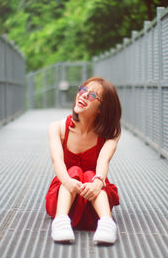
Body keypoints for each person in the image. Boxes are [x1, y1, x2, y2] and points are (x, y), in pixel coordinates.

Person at [45, 77, 121, 244]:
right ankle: (61, 220)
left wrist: (98, 182)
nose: (83, 95)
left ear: (102, 108)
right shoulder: (57, 128)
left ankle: (107, 223)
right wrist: (68, 181)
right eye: (82, 90)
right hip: (64, 198)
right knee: (73, 172)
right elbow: (57, 161)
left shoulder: (110, 134)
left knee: (90, 174)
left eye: (92, 95)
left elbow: (104, 161)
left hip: (94, 197)